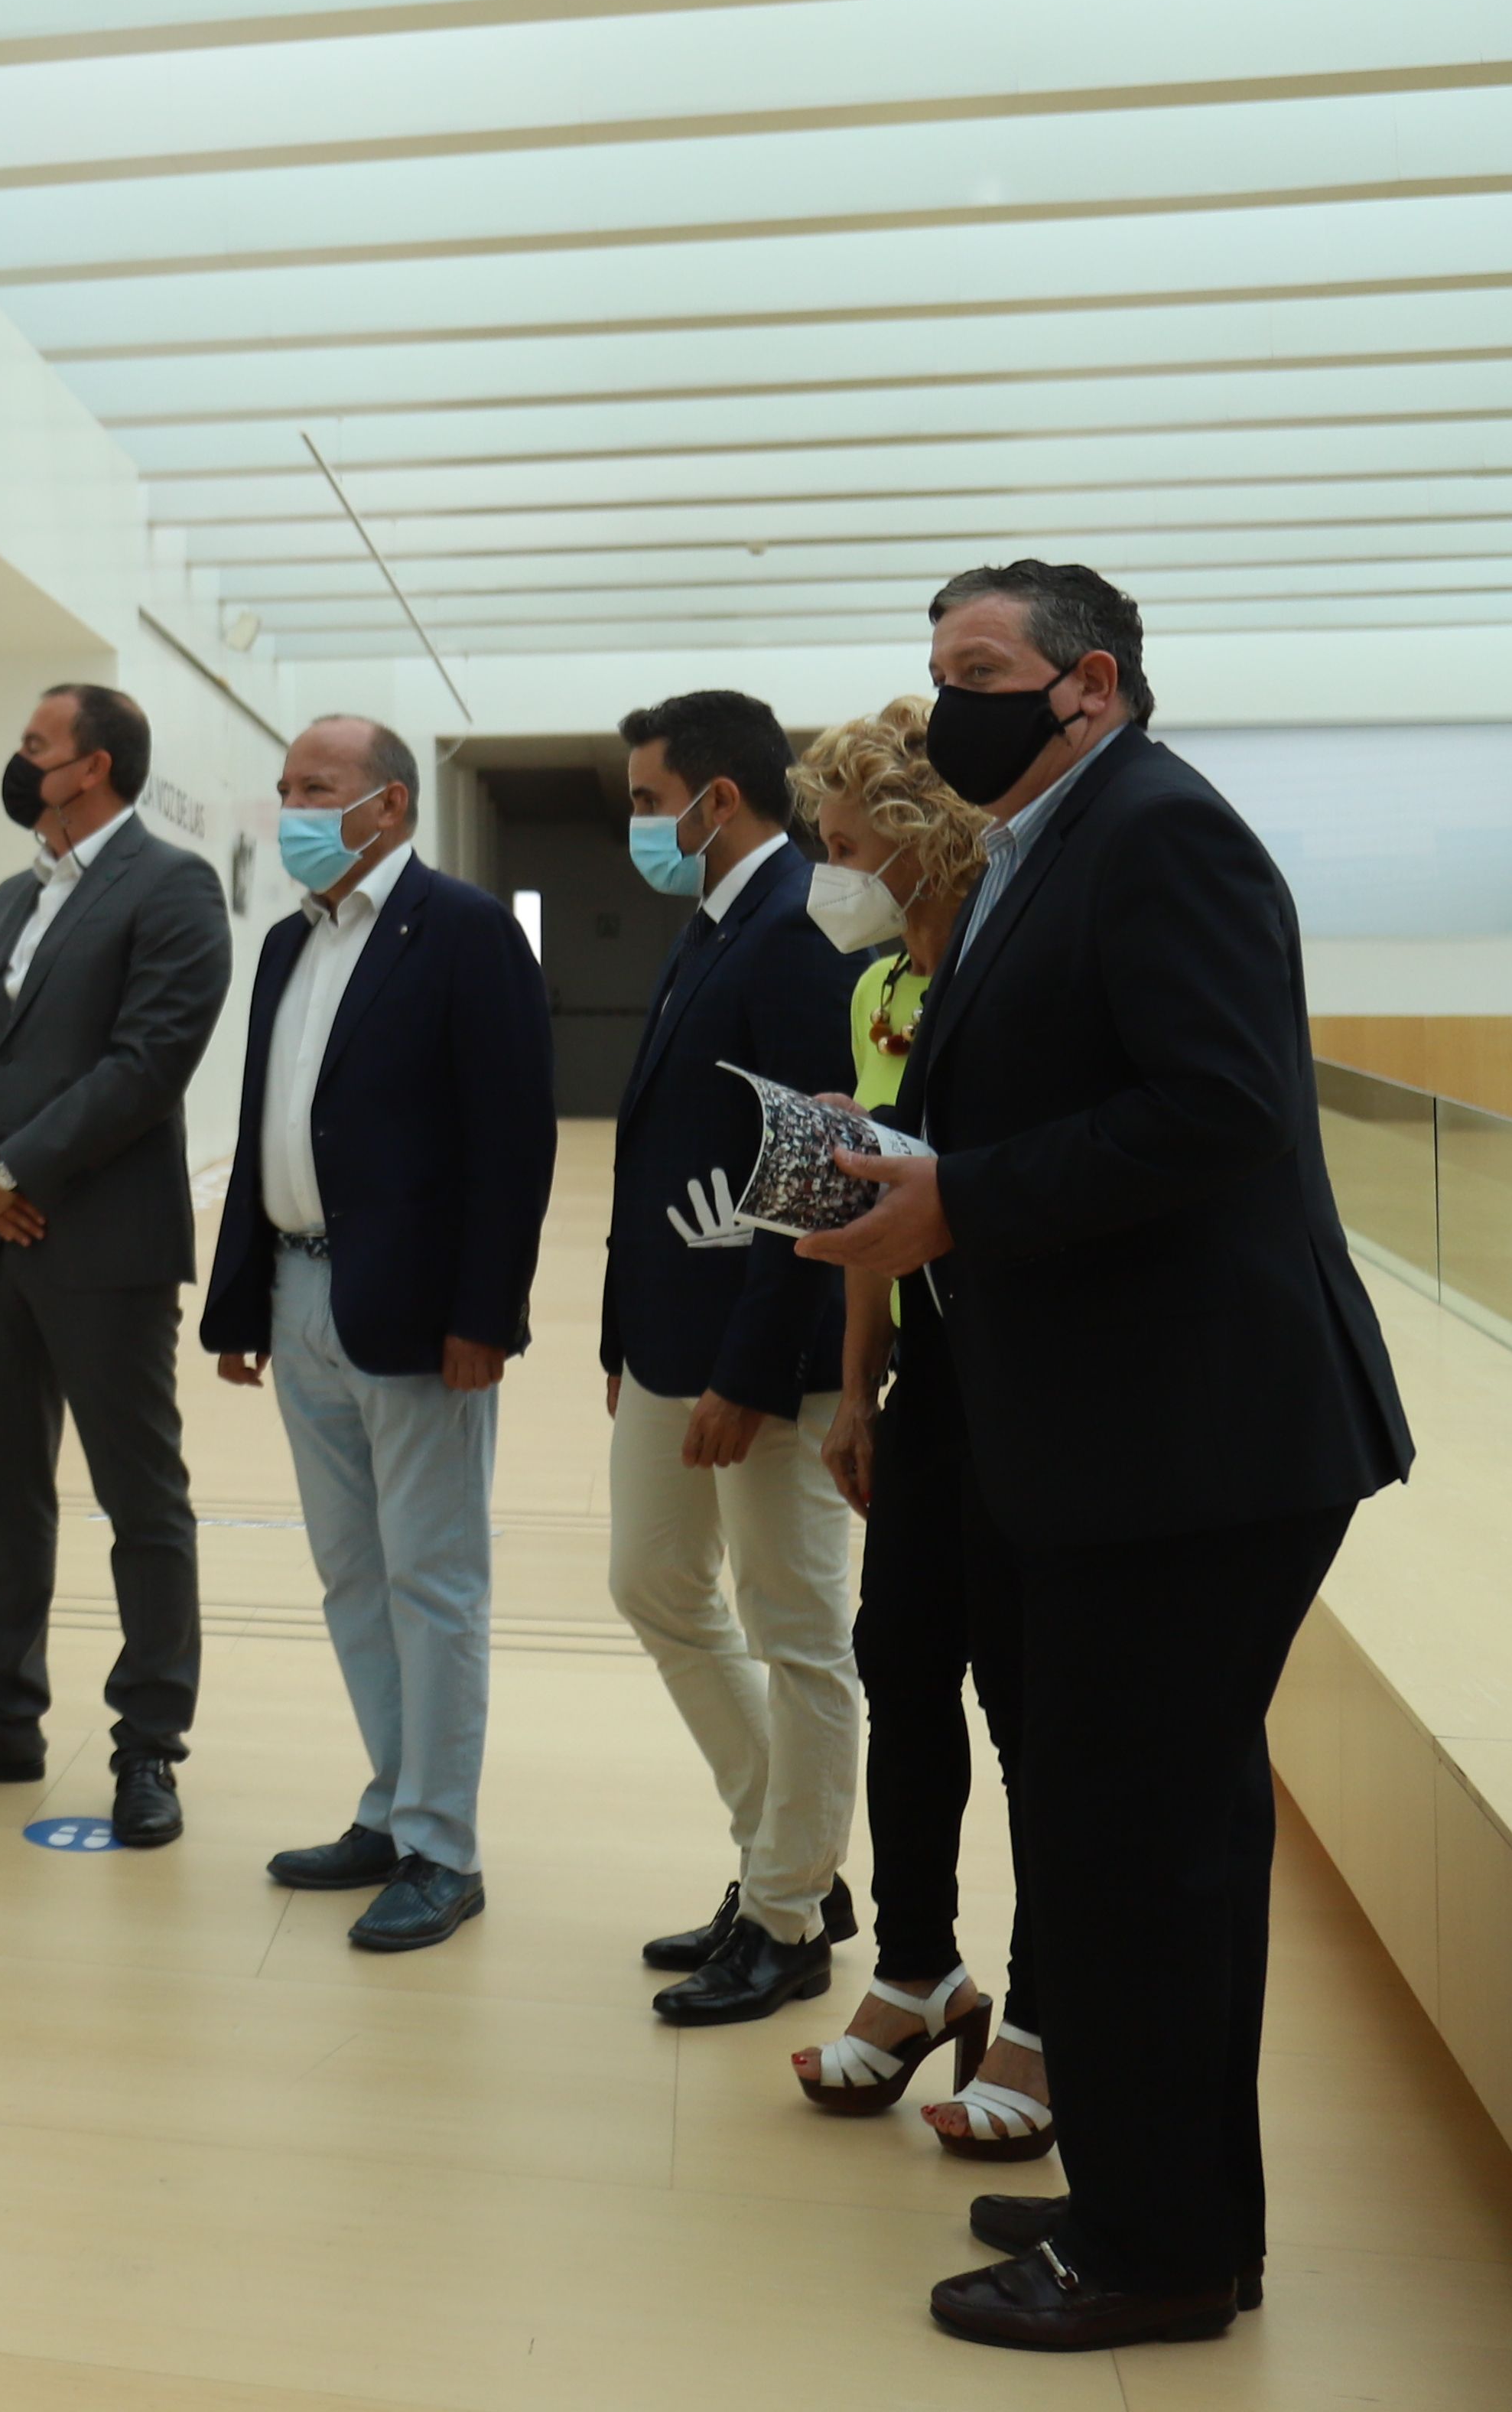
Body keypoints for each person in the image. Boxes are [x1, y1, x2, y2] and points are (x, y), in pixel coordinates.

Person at [798, 560, 1413, 2354]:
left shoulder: (1156, 829)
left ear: (1089, 683)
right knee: (1164, 1840)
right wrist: (903, 1152)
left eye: (976, 668)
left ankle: (1146, 2259)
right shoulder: (1048, 839)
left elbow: (1221, 1105)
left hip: (1195, 1442)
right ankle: (1168, 2209)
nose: (942, 699)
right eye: (930, 668)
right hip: (1137, 1431)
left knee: (1133, 1845)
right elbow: (1081, 1094)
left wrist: (957, 1198)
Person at [200, 718, 550, 1952]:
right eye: (286, 786)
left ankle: (443, 1850)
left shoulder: (464, 932)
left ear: (389, 807)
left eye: (317, 787)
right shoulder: (291, 944)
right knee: (353, 1572)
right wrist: (240, 1300)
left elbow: (513, 1144)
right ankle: (391, 1810)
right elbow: (267, 1128)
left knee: (434, 1579)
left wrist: (485, 1317)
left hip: (415, 1311)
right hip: (301, 1299)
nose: (292, 805)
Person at [0, 685, 235, 1846]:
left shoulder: (174, 885)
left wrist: (16, 1170)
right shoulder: (12, 894)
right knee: (5, 1493)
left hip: (102, 1245)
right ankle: (0, 1717)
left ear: (92, 769)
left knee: (142, 1501)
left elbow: (149, 1062)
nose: (19, 759)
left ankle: (148, 1749)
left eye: (36, 744)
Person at [774, 701, 1045, 2154]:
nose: (833, 872)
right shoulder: (882, 991)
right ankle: (919, 1966)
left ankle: (1051, 2011)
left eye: (843, 846)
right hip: (930, 1367)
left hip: (1035, 1374)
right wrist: (860, 1382)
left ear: (924, 835)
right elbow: (893, 1204)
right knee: (903, 1665)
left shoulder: (1011, 971)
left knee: (1029, 1699)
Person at [605, 687, 872, 2026]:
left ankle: (785, 1913)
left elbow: (814, 1173)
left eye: (650, 800)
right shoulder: (711, 921)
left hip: (763, 1355)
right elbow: (658, 1149)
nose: (638, 824)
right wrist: (621, 1334)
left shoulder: (799, 927)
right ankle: (790, 1861)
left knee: (798, 1629)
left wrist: (753, 1373)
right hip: (667, 1342)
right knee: (653, 1582)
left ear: (718, 800)